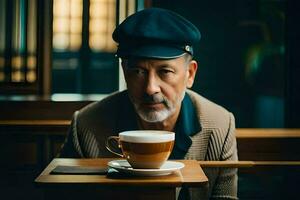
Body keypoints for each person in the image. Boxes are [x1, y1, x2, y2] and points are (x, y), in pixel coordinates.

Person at [60, 8, 238, 200]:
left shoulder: (220, 124)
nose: (150, 88)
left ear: (190, 74)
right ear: (124, 72)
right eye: (138, 71)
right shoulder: (87, 124)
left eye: (165, 71)